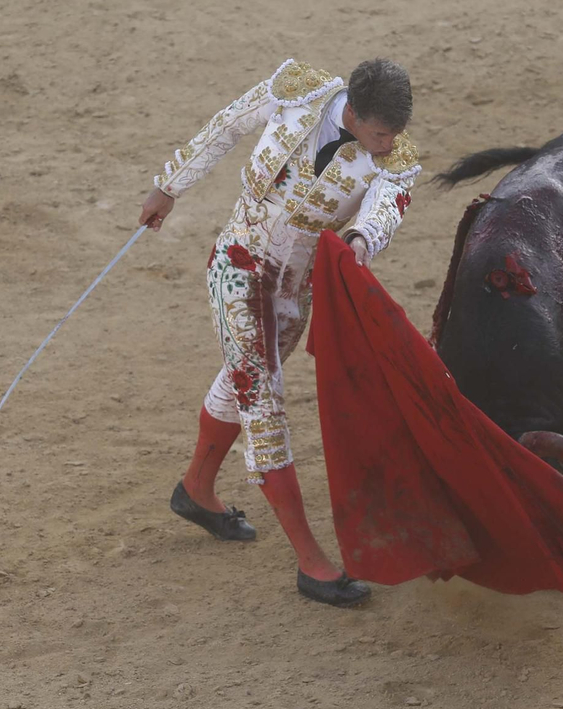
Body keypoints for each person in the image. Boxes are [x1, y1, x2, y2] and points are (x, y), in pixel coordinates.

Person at [136, 57, 420, 607]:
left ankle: (195, 490)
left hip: (293, 297)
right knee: (262, 406)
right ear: (356, 114)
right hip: (237, 269)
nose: (388, 146)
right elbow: (226, 126)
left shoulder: (397, 160)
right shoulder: (299, 90)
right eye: (381, 134)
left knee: (241, 385)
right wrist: (168, 187)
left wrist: (362, 241)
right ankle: (311, 563)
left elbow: (386, 208)